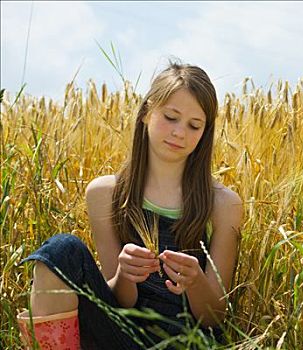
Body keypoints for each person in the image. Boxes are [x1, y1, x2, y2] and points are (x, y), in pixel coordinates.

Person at [17, 61, 243, 349]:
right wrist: (124, 275)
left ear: (205, 133)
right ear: (148, 112)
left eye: (194, 125)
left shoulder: (222, 203)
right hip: (122, 336)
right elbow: (120, 302)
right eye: (171, 117)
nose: (179, 133)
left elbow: (215, 318)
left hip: (188, 341)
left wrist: (196, 280)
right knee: (61, 252)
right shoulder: (106, 193)